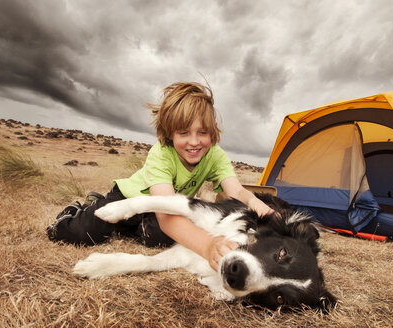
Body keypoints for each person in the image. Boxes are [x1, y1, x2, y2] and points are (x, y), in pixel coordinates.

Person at [47, 82, 273, 271]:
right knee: (82, 233)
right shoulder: (161, 154)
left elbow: (236, 191)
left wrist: (256, 204)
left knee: (163, 236)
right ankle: (75, 212)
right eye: (184, 133)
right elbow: (166, 212)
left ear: (213, 130)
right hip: (126, 199)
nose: (194, 142)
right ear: (169, 132)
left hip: (155, 211)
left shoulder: (216, 156)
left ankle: (127, 228)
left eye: (202, 132)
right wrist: (208, 245)